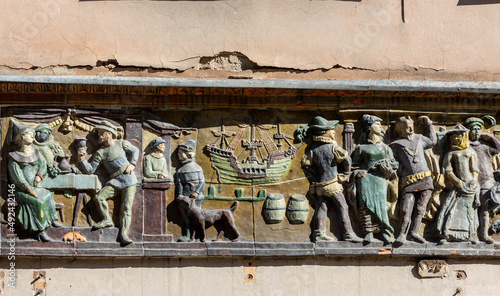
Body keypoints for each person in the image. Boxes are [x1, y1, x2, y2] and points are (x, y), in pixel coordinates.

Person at [294, 116, 362, 243]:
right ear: (324, 132)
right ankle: (348, 233)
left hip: (319, 185)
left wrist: (314, 174)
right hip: (332, 184)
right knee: (343, 206)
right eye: (331, 130)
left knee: (322, 207)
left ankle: (319, 232)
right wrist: (346, 174)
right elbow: (347, 160)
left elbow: (306, 165)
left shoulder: (313, 150)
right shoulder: (333, 147)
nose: (334, 131)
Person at [77, 120, 139, 245]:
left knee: (126, 208)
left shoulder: (121, 144)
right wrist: (81, 159)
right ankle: (107, 219)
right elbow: (90, 170)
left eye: (101, 133)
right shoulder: (100, 153)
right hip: (115, 181)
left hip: (129, 178)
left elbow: (135, 151)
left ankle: (124, 234)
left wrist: (132, 164)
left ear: (109, 133)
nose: (99, 136)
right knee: (99, 197)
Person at [7, 120, 61, 242]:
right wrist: (28, 189)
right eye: (29, 133)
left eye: (33, 133)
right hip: (22, 190)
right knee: (38, 201)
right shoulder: (14, 157)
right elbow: (17, 177)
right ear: (21, 137)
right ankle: (39, 230)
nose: (32, 135)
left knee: (48, 194)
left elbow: (43, 164)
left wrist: (39, 176)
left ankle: (51, 220)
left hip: (36, 185)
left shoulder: (36, 152)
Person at [390, 116, 436, 246]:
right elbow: (391, 161)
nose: (410, 128)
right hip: (408, 181)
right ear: (400, 129)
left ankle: (415, 232)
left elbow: (432, 141)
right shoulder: (396, 145)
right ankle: (402, 234)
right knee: (406, 208)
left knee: (421, 208)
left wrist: (429, 125)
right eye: (406, 127)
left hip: (425, 178)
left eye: (411, 125)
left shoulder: (420, 139)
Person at [352, 115, 398, 244]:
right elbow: (353, 166)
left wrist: (388, 169)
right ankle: (368, 232)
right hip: (365, 180)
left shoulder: (385, 148)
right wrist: (358, 172)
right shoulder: (361, 148)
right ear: (370, 127)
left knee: (381, 206)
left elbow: (394, 164)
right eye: (377, 124)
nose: (380, 127)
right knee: (365, 206)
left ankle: (385, 231)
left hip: (380, 179)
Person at [436, 124, 480, 244]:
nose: (455, 139)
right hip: (457, 186)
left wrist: (474, 181)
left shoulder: (470, 152)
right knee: (451, 210)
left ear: (464, 137)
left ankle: (471, 235)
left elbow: (475, 169)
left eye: (458, 136)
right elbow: (447, 170)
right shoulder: (451, 153)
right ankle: (447, 234)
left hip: (470, 185)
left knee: (469, 212)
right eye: (453, 137)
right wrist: (456, 181)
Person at [464, 117, 500, 244]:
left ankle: (484, 235)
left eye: (478, 129)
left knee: (484, 210)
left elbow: (498, 148)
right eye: (473, 129)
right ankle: (471, 235)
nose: (476, 131)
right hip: (471, 181)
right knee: (471, 209)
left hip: (486, 180)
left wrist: (488, 136)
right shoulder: (465, 146)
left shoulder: (485, 145)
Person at [174, 139, 205, 242]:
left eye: (179, 153)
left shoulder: (197, 168)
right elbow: (179, 185)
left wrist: (197, 192)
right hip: (184, 198)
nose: (178, 155)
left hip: (196, 197)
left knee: (196, 217)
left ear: (186, 153)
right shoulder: (180, 171)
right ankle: (187, 235)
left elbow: (201, 182)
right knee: (186, 218)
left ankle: (197, 236)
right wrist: (180, 196)